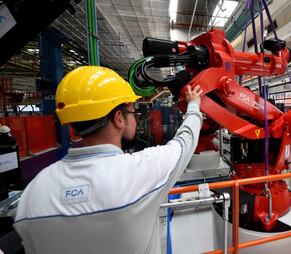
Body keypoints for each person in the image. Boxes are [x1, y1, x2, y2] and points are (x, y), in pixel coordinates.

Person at [13, 66, 203, 254]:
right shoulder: (141, 172)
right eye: (132, 112)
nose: (136, 118)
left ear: (72, 127)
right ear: (119, 118)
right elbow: (185, 142)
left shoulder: (33, 193)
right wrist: (194, 105)